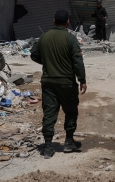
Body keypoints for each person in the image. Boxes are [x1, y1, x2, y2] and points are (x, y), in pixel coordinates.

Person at [30, 9, 87, 158]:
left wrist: (47, 62)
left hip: (48, 82)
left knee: (49, 112)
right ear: (68, 22)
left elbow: (34, 54)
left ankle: (48, 146)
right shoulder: (70, 39)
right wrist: (82, 80)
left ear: (54, 21)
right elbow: (78, 62)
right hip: (67, 83)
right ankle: (68, 142)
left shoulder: (44, 37)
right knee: (71, 111)